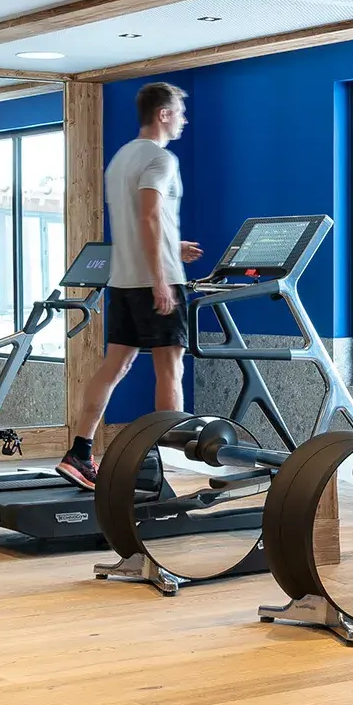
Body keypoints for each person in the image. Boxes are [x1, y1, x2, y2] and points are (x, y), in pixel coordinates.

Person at [57, 81, 201, 489]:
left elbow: (141, 221)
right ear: (163, 114)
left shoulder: (121, 158)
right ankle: (165, 462)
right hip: (155, 279)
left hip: (122, 280)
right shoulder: (161, 158)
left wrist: (174, 245)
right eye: (180, 113)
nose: (184, 120)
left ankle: (80, 451)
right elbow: (148, 215)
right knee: (170, 368)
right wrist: (160, 279)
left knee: (115, 365)